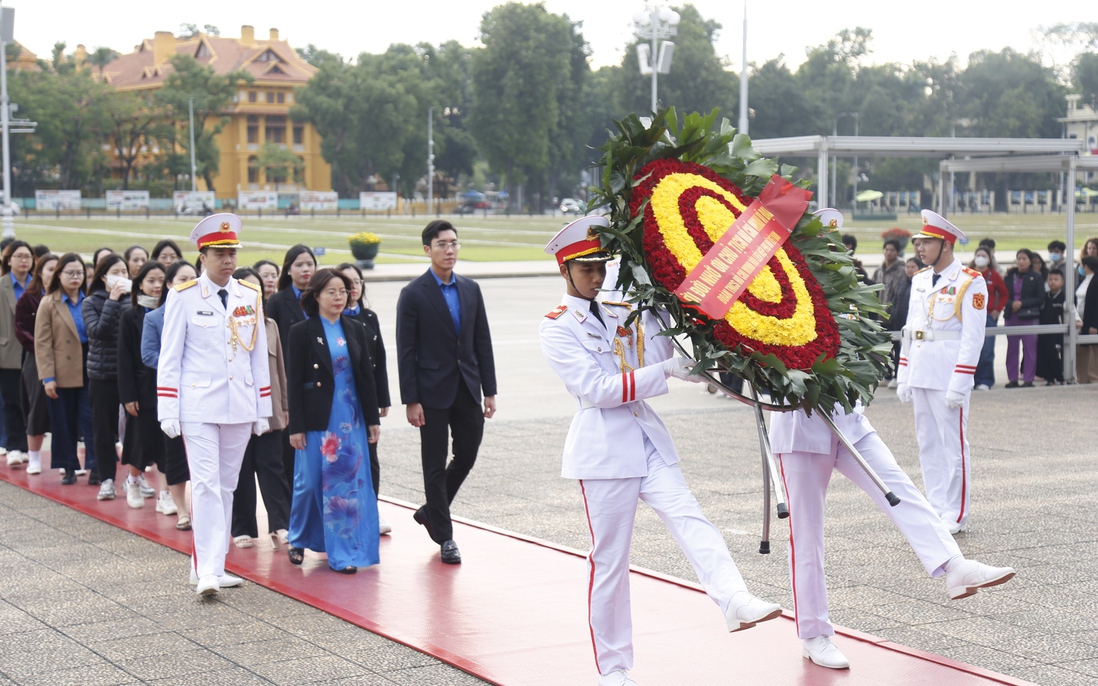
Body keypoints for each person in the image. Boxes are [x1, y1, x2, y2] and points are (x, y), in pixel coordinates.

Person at [540, 217, 782, 686]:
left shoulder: (619, 308)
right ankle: (613, 667)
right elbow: (596, 389)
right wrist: (668, 369)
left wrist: (688, 349)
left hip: (646, 438)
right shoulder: (557, 328)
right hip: (604, 450)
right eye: (586, 269)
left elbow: (660, 353)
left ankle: (733, 597)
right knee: (610, 560)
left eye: (600, 267)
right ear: (565, 271)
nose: (596, 277)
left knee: (690, 517)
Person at [157, 213, 272, 596]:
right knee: (204, 484)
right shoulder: (184, 296)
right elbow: (169, 357)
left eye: (232, 252)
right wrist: (168, 409)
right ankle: (208, 571)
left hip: (239, 403)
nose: (228, 260)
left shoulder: (249, 296)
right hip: (198, 405)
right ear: (202, 256)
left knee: (226, 487)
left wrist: (262, 409)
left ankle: (210, 565)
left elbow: (257, 356)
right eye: (219, 253)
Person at [396, 220, 497, 565]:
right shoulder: (413, 294)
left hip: (468, 387)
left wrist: (490, 390)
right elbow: (405, 350)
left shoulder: (471, 289)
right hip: (430, 393)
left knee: (467, 454)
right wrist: (411, 399)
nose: (449, 250)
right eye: (441, 244)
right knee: (434, 465)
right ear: (427, 250)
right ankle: (445, 537)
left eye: (454, 243)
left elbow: (482, 341)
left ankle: (430, 510)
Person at [897, 210, 987, 535]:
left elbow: (973, 337)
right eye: (918, 242)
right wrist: (903, 372)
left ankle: (956, 513)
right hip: (922, 368)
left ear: (945, 244)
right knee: (928, 443)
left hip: (948, 372)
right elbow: (911, 328)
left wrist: (961, 382)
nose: (920, 248)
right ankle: (936, 507)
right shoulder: (920, 280)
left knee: (954, 445)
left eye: (927, 242)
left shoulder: (970, 282)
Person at [286, 269, 381, 573]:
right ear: (316, 296)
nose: (339, 297)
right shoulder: (301, 331)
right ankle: (298, 537)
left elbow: (366, 377)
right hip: (319, 419)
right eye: (331, 292)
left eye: (343, 291)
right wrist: (296, 426)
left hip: (350, 419)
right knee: (309, 482)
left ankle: (344, 552)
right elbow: (294, 382)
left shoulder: (354, 328)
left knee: (346, 485)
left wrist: (371, 418)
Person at [229, 266, 291, 550]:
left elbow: (279, 370)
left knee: (273, 467)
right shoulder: (225, 324)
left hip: (267, 410)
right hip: (237, 410)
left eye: (257, 288)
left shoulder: (270, 325)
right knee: (241, 469)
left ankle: (280, 524)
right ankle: (243, 527)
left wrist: (285, 406)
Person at [141, 260, 196, 529]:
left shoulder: (205, 313)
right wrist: (176, 364)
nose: (189, 284)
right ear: (170, 284)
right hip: (173, 393)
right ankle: (182, 509)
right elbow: (148, 354)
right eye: (182, 279)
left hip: (202, 393)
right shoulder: (154, 318)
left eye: (193, 278)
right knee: (174, 453)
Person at [35, 253, 98, 484]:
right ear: (59, 274)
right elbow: (42, 342)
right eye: (69, 272)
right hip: (61, 371)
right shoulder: (49, 302)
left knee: (91, 419)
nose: (75, 277)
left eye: (79, 273)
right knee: (64, 421)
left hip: (89, 366)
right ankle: (68, 466)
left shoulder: (90, 299)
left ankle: (96, 466)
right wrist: (47, 377)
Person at [117, 262, 174, 513]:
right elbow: (125, 359)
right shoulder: (131, 316)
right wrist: (128, 395)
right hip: (142, 389)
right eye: (151, 280)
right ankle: (133, 481)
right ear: (140, 283)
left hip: (168, 388)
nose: (156, 285)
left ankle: (165, 493)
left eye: (161, 279)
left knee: (166, 444)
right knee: (139, 440)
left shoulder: (173, 311)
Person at [339, 261, 391, 535]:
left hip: (366, 399)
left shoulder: (369, 317)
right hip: (342, 400)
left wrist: (383, 398)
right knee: (344, 457)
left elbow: (379, 360)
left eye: (357, 282)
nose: (352, 288)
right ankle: (346, 511)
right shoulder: (333, 321)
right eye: (346, 284)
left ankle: (372, 510)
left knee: (370, 457)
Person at [265, 244, 316, 490]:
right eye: (299, 264)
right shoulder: (277, 301)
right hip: (290, 382)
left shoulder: (322, 296)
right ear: (288, 269)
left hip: (319, 382)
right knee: (289, 450)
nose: (306, 269)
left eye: (309, 264)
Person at [83, 254, 134, 495]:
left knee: (135, 429)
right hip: (102, 374)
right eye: (116, 272)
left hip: (129, 375)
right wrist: (112, 300)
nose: (122, 277)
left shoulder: (133, 300)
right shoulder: (91, 302)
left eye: (125, 272)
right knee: (103, 429)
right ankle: (106, 479)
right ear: (104, 276)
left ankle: (135, 477)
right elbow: (98, 332)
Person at [14, 253, 56, 475]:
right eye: (50, 269)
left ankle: (64, 458)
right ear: (40, 272)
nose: (54, 273)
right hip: (36, 359)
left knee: (64, 409)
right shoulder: (28, 298)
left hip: (64, 359)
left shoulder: (70, 297)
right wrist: (42, 348)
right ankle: (35, 458)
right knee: (37, 408)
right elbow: (20, 330)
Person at [1, 241, 34, 467]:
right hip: (9, 350)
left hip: (34, 349)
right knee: (11, 400)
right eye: (18, 256)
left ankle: (30, 446)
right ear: (8, 259)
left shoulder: (39, 286)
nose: (24, 260)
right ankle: (14, 445)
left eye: (28, 256)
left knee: (32, 401)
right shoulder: (2, 285)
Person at [1002, 249, 1044, 388]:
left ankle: (1028, 379)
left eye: (1024, 259)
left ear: (1030, 261)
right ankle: (1012, 379)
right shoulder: (1009, 275)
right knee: (1012, 348)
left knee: (1030, 349)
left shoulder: (1036, 276)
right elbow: (1002, 295)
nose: (1021, 261)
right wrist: (1010, 303)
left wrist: (1022, 303)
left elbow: (1040, 298)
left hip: (1029, 316)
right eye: (1019, 258)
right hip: (1012, 316)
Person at [969, 246, 1007, 391]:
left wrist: (998, 310)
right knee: (971, 349)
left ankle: (985, 380)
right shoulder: (968, 274)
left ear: (989, 259)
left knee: (987, 350)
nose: (980, 258)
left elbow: (1004, 293)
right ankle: (971, 379)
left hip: (987, 316)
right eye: (978, 255)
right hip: (970, 316)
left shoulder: (994, 275)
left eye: (984, 255)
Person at [885, 257, 922, 388]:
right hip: (899, 324)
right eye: (908, 267)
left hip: (914, 326)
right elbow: (895, 301)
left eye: (913, 267)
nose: (910, 270)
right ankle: (899, 377)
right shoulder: (902, 282)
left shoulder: (921, 284)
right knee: (899, 351)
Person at [1036, 269, 1066, 385]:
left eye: (1056, 280)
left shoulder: (1064, 297)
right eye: (1050, 279)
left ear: (1062, 282)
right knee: (1045, 354)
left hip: (1057, 333)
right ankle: (1049, 378)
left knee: (1056, 355)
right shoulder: (1044, 297)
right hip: (1044, 332)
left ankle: (1059, 377)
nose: (1052, 282)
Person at [1076, 255, 1098, 383]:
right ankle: (1082, 377)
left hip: (1091, 322)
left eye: (1081, 265)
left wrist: (1095, 324)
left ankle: (1094, 377)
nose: (1080, 267)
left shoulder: (1096, 280)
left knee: (1093, 352)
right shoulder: (1083, 279)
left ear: (1087, 266)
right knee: (1081, 350)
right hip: (1081, 321)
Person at [872, 239, 906, 315]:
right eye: (886, 249)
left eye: (892, 250)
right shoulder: (878, 271)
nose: (888, 252)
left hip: (893, 315)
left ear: (898, 252)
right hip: (877, 313)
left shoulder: (902, 271)